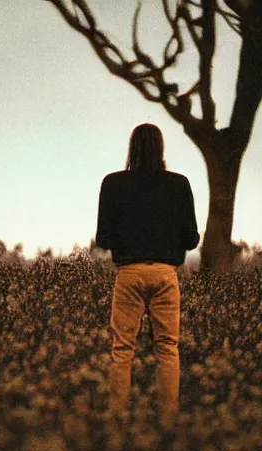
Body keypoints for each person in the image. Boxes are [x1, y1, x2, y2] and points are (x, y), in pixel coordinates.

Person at [95, 123, 200, 430]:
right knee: (168, 348)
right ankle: (169, 421)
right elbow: (192, 239)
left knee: (122, 349)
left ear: (132, 148)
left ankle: (117, 420)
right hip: (166, 274)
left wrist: (130, 238)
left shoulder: (113, 184)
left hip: (128, 273)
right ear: (161, 148)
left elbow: (103, 237)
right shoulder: (179, 185)